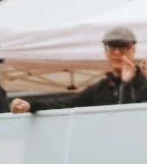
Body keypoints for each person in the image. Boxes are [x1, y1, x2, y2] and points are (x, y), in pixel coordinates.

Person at [10, 26, 147, 114]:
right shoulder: (101, 88)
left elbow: (128, 117)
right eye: (110, 47)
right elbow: (68, 103)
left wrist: (127, 83)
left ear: (133, 50)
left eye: (123, 47)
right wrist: (31, 105)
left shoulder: (144, 85)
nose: (117, 53)